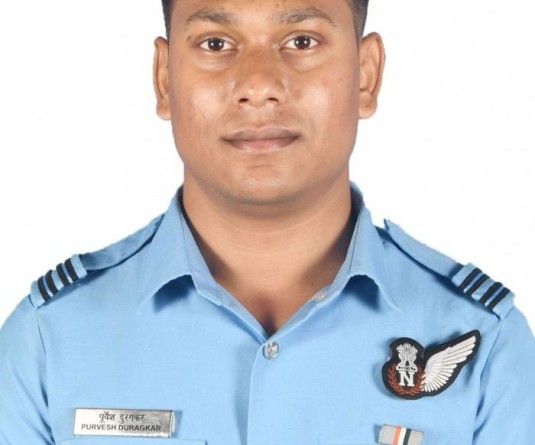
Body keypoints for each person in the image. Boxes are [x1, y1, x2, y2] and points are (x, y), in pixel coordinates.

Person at [1, 0, 534, 444]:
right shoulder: (48, 342)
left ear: (366, 75)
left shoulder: (488, 344)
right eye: (216, 44)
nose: (258, 85)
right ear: (164, 79)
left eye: (301, 41)